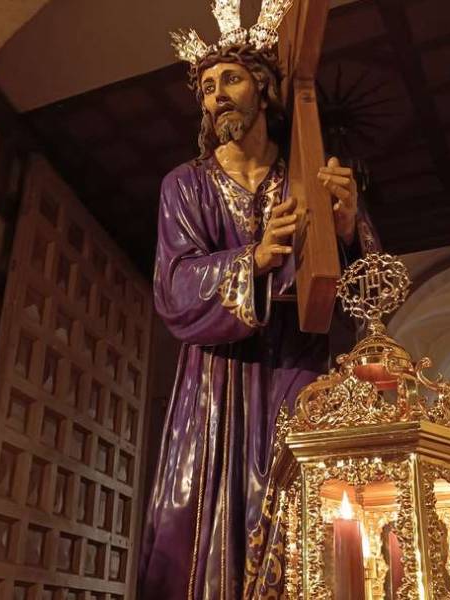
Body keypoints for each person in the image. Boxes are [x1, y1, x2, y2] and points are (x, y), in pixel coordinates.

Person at [137, 3, 379, 598]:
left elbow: (366, 294)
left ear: (264, 88)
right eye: (207, 87)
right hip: (215, 381)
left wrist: (348, 229)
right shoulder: (185, 185)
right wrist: (254, 260)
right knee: (206, 521)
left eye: (231, 80)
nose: (217, 96)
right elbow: (173, 287)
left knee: (299, 509)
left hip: (298, 363)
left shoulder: (308, 173)